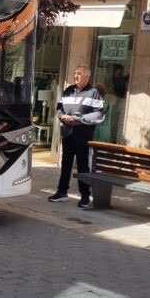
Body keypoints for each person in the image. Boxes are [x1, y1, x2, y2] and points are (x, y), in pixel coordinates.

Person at [49, 65, 105, 208]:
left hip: (82, 135)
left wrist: (79, 119)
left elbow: (99, 114)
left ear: (87, 76)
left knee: (82, 165)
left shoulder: (93, 93)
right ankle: (62, 192)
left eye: (79, 74)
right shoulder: (68, 90)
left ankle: (85, 196)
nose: (76, 76)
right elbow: (59, 108)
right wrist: (63, 117)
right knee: (66, 163)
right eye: (75, 73)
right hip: (68, 133)